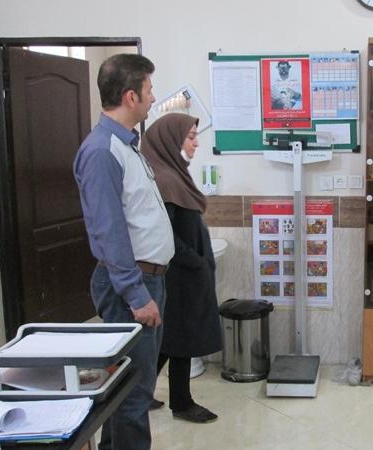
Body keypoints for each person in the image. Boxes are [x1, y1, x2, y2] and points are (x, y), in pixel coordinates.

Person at [73, 53, 174, 450]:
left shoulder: (127, 145)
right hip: (129, 285)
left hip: (145, 279)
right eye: (149, 89)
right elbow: (109, 231)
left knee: (128, 388)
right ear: (131, 96)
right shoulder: (102, 151)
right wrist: (136, 294)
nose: (154, 97)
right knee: (133, 394)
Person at [140, 113, 222, 424]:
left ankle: (139, 393)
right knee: (180, 337)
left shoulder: (173, 175)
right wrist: (195, 261)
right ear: (170, 140)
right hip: (178, 275)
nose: (196, 143)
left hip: (185, 273)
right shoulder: (164, 180)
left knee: (170, 338)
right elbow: (167, 236)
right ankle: (181, 403)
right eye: (190, 136)